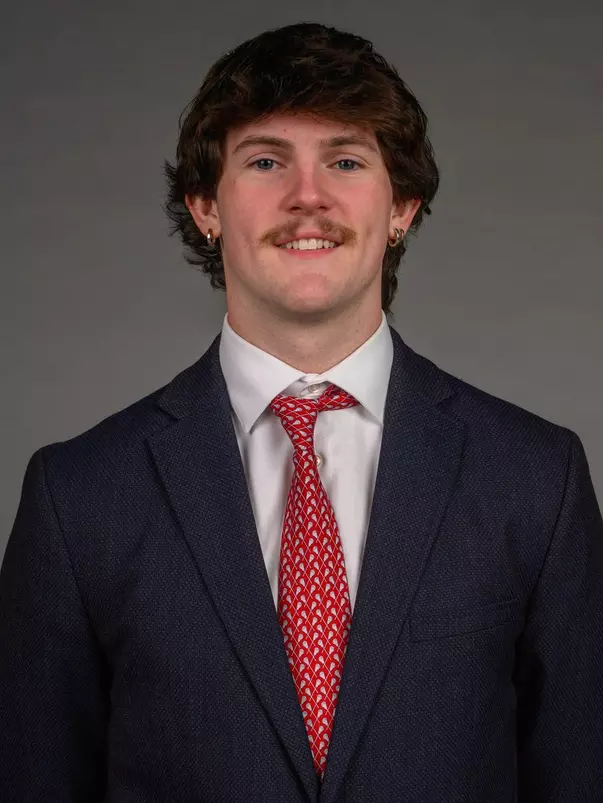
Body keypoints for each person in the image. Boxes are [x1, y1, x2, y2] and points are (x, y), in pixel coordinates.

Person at [1, 21, 602, 803]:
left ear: (402, 206)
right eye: (264, 161)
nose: (307, 195)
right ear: (204, 205)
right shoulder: (77, 497)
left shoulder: (535, 477)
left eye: (345, 161)